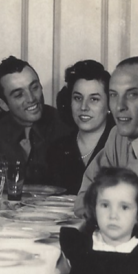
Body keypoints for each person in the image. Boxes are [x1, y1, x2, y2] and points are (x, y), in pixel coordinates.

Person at [74, 56, 138, 215]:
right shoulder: (117, 137)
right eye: (113, 95)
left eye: (132, 95)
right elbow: (83, 200)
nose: (119, 106)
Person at [0, 56, 74, 183]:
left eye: (34, 87)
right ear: (3, 104)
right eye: (18, 95)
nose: (31, 98)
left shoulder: (64, 125)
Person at [46, 60, 115, 194]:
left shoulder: (119, 146)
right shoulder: (56, 150)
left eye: (94, 99)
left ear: (109, 104)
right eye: (78, 98)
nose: (84, 107)